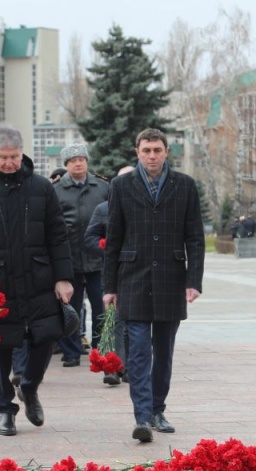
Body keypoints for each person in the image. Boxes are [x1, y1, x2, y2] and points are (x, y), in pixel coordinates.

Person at [0, 124, 74, 437]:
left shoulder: (41, 187)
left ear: (23, 153)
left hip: (38, 278)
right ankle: (5, 410)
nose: (9, 162)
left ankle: (30, 387)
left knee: (46, 337)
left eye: (14, 156)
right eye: (3, 156)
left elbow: (57, 234)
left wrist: (63, 277)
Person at [103, 128, 205, 443]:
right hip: (132, 277)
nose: (152, 156)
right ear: (137, 152)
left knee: (164, 350)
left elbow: (195, 237)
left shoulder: (184, 185)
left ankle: (158, 409)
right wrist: (110, 286)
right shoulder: (121, 185)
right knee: (138, 352)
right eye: (146, 150)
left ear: (166, 152)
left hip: (171, 278)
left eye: (157, 150)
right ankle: (142, 417)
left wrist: (193, 280)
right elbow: (114, 238)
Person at [53, 142, 110, 370]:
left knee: (101, 307)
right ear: (66, 164)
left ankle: (100, 348)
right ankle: (71, 352)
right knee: (70, 309)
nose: (78, 163)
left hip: (98, 258)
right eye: (73, 160)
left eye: (82, 159)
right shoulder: (56, 190)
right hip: (69, 260)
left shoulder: (103, 187)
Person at [85, 166, 134, 386]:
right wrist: (105, 247)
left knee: (135, 323)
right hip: (112, 273)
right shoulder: (104, 209)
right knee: (113, 322)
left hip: (139, 274)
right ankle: (113, 367)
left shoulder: (149, 208)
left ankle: (131, 366)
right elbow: (90, 238)